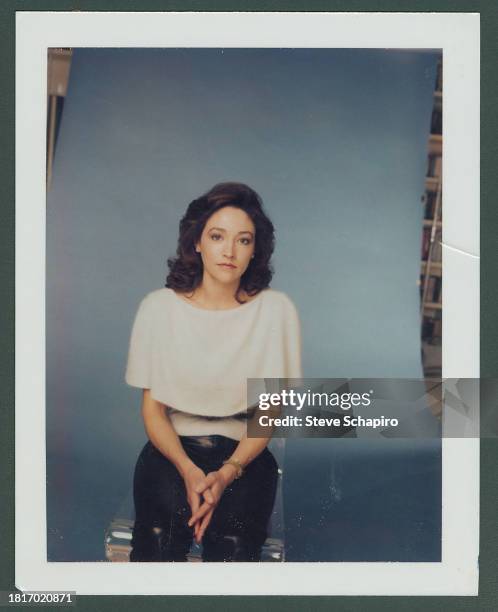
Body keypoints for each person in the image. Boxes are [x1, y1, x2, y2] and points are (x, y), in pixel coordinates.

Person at [125, 182, 302, 562]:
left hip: (244, 456)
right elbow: (153, 411)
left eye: (243, 240)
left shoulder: (275, 311)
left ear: (255, 251)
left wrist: (225, 474)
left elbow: (268, 412)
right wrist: (189, 471)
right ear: (197, 242)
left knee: (233, 552)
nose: (229, 251)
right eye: (217, 236)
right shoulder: (158, 308)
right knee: (156, 545)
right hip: (172, 452)